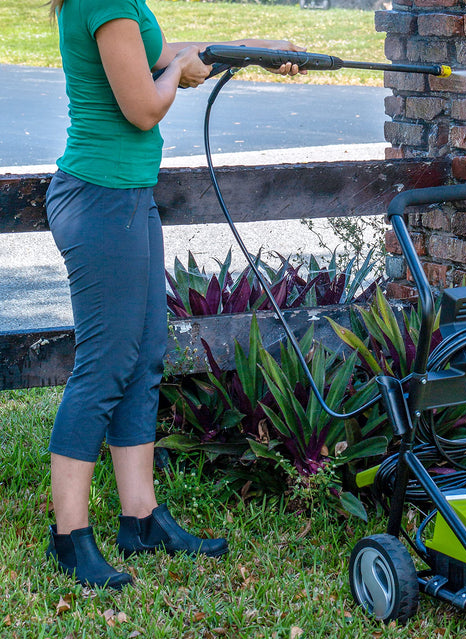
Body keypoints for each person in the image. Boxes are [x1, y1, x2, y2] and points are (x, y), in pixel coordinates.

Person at [45, 0, 304, 590]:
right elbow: (142, 107)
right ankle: (70, 536)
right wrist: (177, 75)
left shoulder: (123, 3)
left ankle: (140, 519)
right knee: (104, 365)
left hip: (127, 198)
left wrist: (261, 54)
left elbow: (165, 51)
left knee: (143, 360)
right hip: (99, 197)